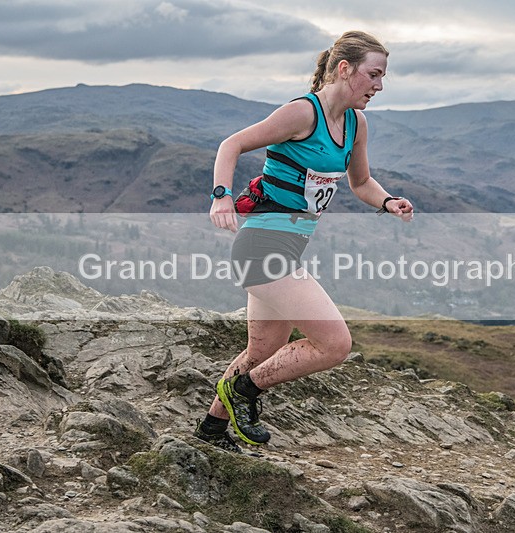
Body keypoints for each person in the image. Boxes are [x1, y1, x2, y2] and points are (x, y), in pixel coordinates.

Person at [194, 30, 414, 453]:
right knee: (335, 344)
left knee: (263, 348)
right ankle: (244, 391)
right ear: (344, 69)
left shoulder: (355, 123)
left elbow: (362, 182)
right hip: (262, 248)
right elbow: (232, 144)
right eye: (374, 74)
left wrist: (388, 202)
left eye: (383, 77)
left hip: (289, 247)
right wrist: (221, 198)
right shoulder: (302, 113)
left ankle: (211, 431)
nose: (379, 86)